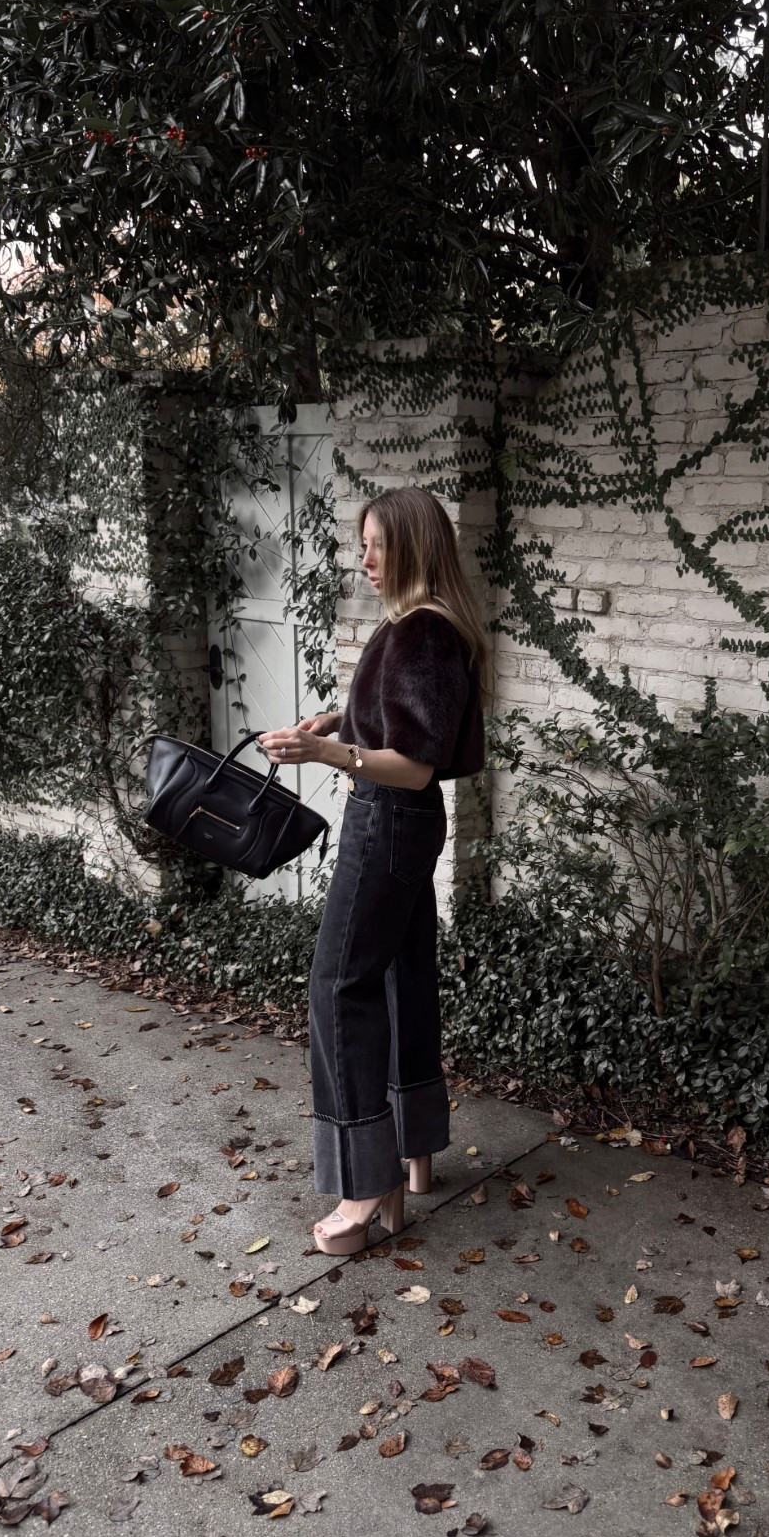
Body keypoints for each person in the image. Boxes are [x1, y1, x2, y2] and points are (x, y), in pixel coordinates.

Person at [257, 486, 489, 1255]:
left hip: (387, 820)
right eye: (363, 544)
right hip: (405, 828)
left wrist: (326, 752)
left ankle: (366, 1183)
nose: (365, 559)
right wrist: (340, 720)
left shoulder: (420, 631)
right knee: (399, 974)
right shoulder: (427, 627)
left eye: (378, 545)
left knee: (338, 984)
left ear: (414, 548)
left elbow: (416, 766)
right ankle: (413, 1150)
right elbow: (405, 725)